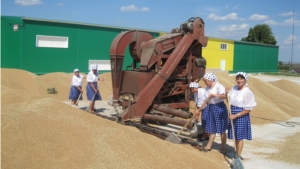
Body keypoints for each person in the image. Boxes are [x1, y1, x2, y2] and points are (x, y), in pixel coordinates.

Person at [226, 72, 257, 158]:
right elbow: (228, 101)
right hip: (232, 112)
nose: (239, 80)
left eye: (241, 79)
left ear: (245, 80)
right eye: (237, 78)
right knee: (235, 135)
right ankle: (236, 152)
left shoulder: (247, 92)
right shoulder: (234, 88)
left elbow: (247, 110)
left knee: (239, 137)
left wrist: (235, 116)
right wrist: (226, 93)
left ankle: (238, 156)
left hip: (240, 115)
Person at [200, 72, 228, 154]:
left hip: (219, 108)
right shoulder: (208, 88)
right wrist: (201, 108)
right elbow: (206, 99)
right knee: (212, 128)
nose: (205, 83)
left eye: (205, 81)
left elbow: (224, 96)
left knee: (222, 129)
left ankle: (223, 147)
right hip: (211, 108)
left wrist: (215, 95)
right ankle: (209, 146)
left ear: (210, 80)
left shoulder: (219, 86)